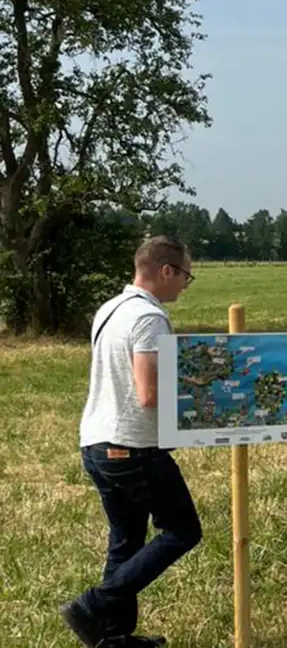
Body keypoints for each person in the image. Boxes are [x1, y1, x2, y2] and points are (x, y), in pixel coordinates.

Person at [60, 236, 203, 648]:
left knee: (126, 540)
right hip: (132, 447)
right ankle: (94, 605)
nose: (185, 285)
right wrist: (201, 398)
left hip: (96, 443)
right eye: (185, 276)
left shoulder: (110, 309)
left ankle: (114, 639)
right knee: (182, 530)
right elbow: (148, 393)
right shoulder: (149, 318)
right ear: (166, 271)